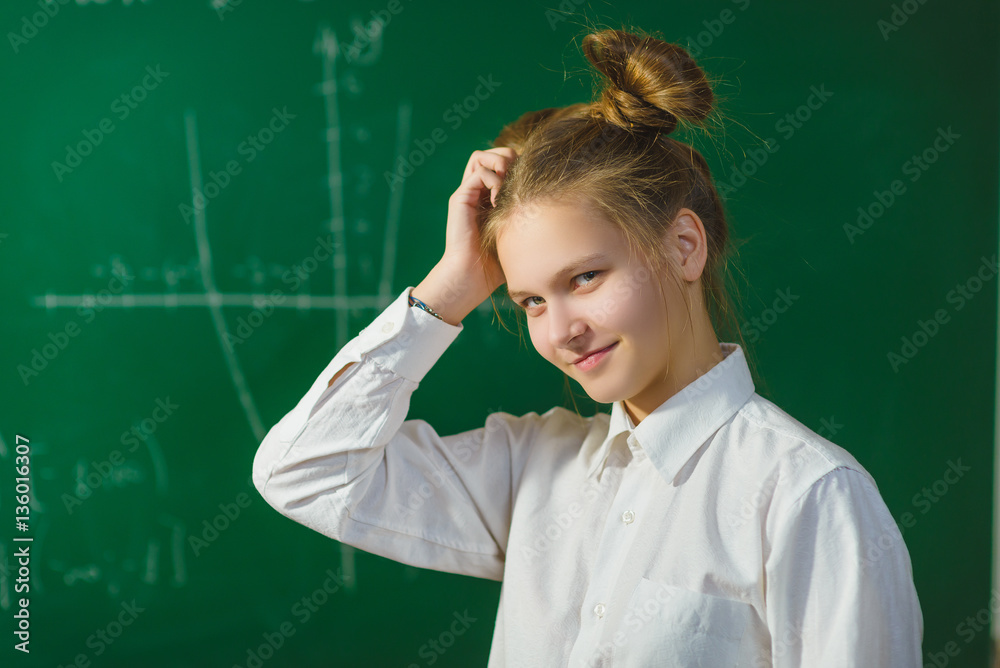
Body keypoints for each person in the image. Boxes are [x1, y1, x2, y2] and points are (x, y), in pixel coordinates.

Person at [252, 27, 923, 667]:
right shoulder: (533, 469)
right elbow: (303, 471)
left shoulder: (807, 495)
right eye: (531, 301)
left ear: (684, 246)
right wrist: (450, 289)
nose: (560, 329)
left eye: (585, 277)